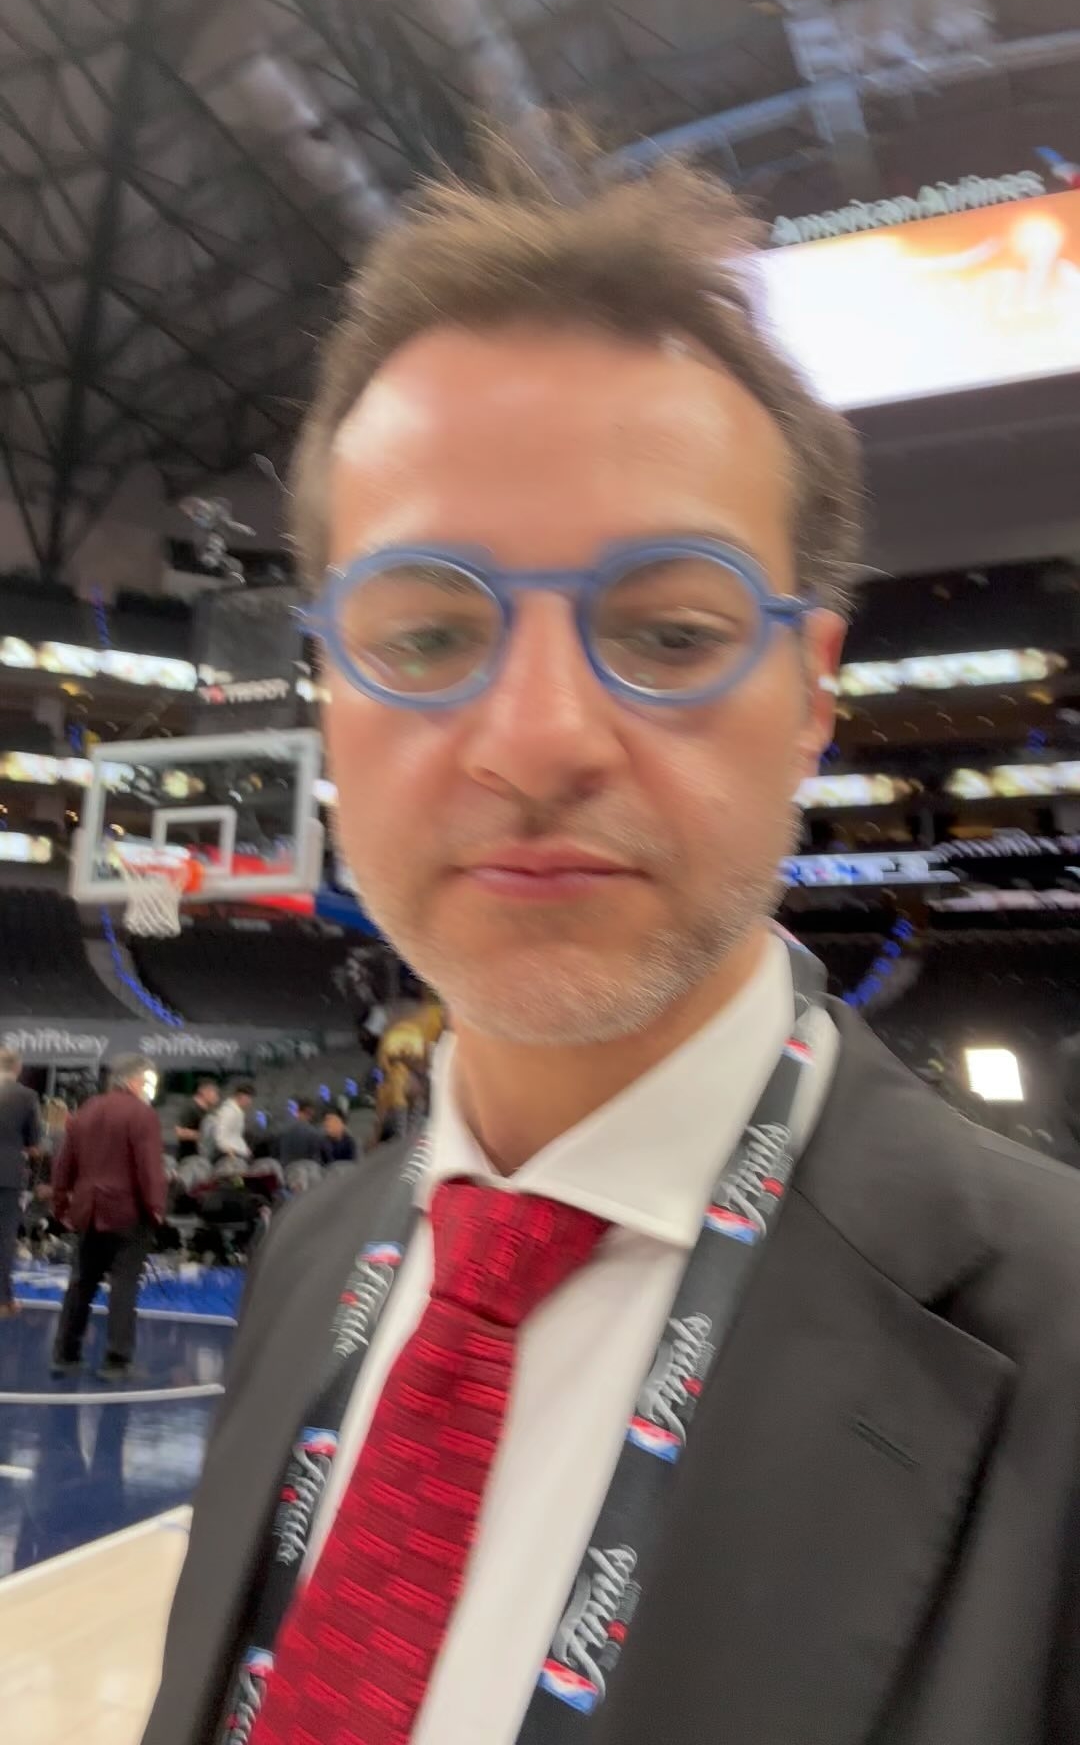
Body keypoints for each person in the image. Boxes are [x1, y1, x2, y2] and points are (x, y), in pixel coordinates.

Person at [144, 137, 1080, 1745]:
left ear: (813, 696)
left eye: (668, 630)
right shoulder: (310, 1263)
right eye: (426, 632)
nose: (538, 740)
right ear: (330, 691)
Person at [52, 1055, 165, 1380]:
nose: (148, 1088)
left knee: (81, 1283)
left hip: (89, 1209)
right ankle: (116, 1359)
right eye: (146, 1081)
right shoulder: (142, 1114)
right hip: (128, 1211)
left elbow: (64, 1162)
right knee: (124, 1284)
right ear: (134, 1080)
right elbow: (149, 1168)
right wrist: (156, 1208)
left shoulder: (86, 1110)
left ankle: (65, 1353)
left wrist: (60, 1203)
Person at [0, 1050, 40, 1316]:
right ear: (18, 1069)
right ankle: (3, 1300)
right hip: (8, 1174)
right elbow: (34, 1144)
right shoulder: (26, 1096)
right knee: (4, 1238)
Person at [174, 1076, 220, 1165]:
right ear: (203, 1091)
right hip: (189, 1160)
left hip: (203, 1159)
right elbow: (180, 1132)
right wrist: (205, 1136)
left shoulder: (208, 1113)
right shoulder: (190, 1108)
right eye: (214, 1092)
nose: (216, 1096)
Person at [204, 1082, 252, 1167]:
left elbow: (235, 1135)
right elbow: (219, 1133)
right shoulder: (228, 1111)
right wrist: (228, 1152)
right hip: (229, 1155)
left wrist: (245, 1148)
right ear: (241, 1096)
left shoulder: (238, 1112)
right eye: (248, 1099)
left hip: (236, 1152)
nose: (249, 1102)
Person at [276, 1099, 325, 1168]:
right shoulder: (313, 1132)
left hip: (287, 1169)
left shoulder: (283, 1131)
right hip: (307, 1169)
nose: (310, 1118)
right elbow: (316, 1158)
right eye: (309, 1114)